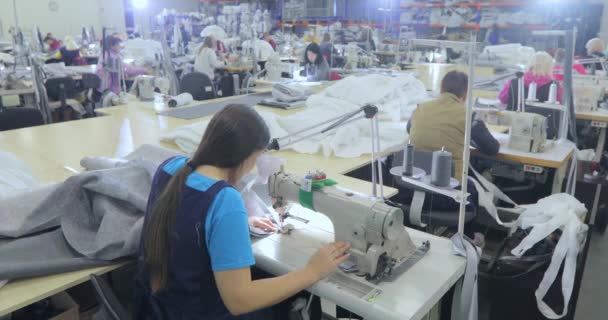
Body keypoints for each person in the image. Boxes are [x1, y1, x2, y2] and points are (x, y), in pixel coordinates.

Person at [135, 104, 350, 319]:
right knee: (294, 293)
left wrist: (230, 229)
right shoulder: (224, 199)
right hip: (196, 312)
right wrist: (311, 271)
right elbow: (240, 300)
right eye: (256, 159)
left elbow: (184, 225)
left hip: (157, 307)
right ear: (246, 156)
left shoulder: (170, 167)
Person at [408, 71, 499, 181]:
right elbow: (491, 148)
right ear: (466, 93)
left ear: (441, 89)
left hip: (417, 179)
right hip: (450, 185)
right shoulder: (468, 115)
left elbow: (409, 129)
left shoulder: (420, 108)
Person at [498, 51, 563, 108]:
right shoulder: (554, 86)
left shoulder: (513, 83)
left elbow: (503, 99)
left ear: (530, 64)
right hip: (544, 121)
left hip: (515, 119)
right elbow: (560, 103)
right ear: (550, 66)